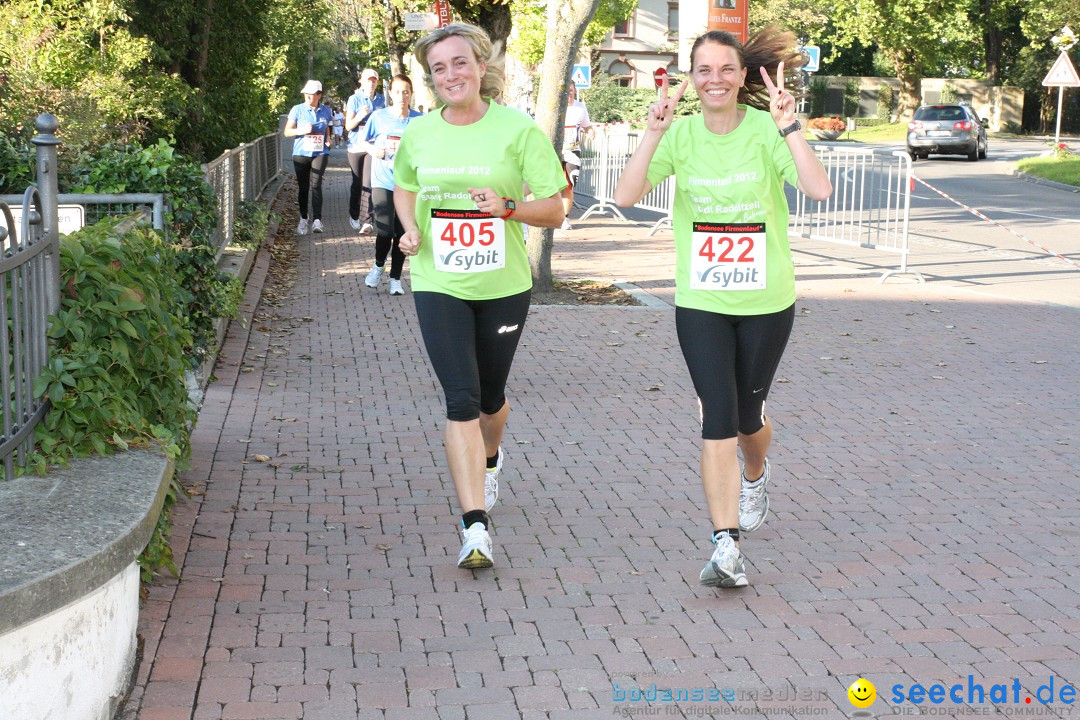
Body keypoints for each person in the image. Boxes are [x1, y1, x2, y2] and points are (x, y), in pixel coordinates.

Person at [613, 28, 832, 588]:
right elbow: (626, 197)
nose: (715, 79)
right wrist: (651, 134)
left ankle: (755, 470)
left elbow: (818, 189)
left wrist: (791, 129)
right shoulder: (680, 135)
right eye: (704, 70)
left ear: (741, 77)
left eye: (726, 69)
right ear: (691, 79)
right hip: (703, 300)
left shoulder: (765, 130)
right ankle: (726, 545)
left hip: (765, 301)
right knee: (716, 416)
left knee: (745, 419)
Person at [393, 23, 567, 570]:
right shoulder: (420, 133)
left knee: (491, 400)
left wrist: (508, 208)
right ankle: (474, 527)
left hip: (503, 286)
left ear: (480, 67)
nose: (450, 75)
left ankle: (491, 459)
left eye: (459, 63)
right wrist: (409, 228)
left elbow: (557, 206)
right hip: (438, 280)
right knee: (461, 399)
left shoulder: (517, 131)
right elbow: (404, 185)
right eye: (439, 68)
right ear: (432, 77)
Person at [359, 74, 423, 296]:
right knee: (385, 230)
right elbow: (362, 140)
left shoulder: (419, 120)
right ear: (390, 94)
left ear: (411, 94)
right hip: (383, 181)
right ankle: (378, 265)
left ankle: (395, 278)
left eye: (406, 91)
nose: (402, 96)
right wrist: (372, 150)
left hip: (407, 185)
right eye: (397, 91)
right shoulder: (379, 117)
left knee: (401, 231)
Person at [284, 80, 333, 235]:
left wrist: (328, 139)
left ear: (319, 95)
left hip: (320, 152)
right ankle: (304, 218)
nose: (307, 97)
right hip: (301, 154)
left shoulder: (326, 111)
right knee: (304, 187)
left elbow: (327, 128)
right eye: (306, 94)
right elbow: (287, 132)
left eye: (311, 95)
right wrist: (301, 130)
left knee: (316, 184)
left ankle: (317, 220)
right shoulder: (297, 110)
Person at [346, 69, 387, 234]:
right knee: (357, 184)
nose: (371, 83)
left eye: (374, 81)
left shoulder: (381, 100)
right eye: (368, 80)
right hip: (356, 146)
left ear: (377, 82)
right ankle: (354, 215)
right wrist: (360, 116)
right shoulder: (354, 99)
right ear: (361, 82)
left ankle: (367, 221)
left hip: (372, 146)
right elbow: (348, 126)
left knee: (367, 183)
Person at [560, 83, 592, 230]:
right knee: (553, 185)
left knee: (569, 185)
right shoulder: (556, 106)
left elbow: (587, 125)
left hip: (573, 151)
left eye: (571, 91)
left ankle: (564, 218)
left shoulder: (580, 107)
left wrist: (590, 131)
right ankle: (551, 216)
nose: (569, 94)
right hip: (554, 151)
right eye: (566, 91)